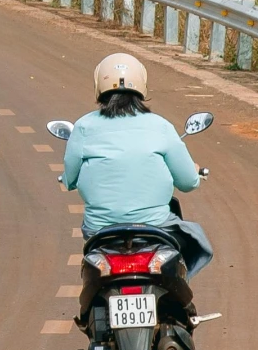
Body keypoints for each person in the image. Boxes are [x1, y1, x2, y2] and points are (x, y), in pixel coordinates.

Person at [64, 53, 213, 327]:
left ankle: (93, 309)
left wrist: (72, 178)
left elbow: (70, 177)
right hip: (155, 226)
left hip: (102, 230)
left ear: (99, 86)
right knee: (194, 241)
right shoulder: (161, 127)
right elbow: (188, 182)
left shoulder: (84, 127)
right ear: (142, 87)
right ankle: (182, 299)